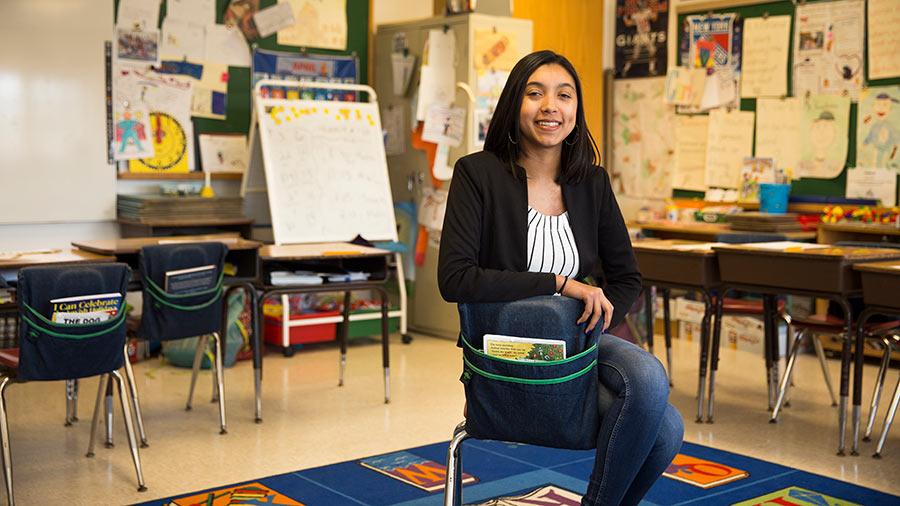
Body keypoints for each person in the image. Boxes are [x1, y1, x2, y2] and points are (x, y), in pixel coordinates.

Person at [438, 50, 683, 506]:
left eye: (564, 95)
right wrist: (559, 283)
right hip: (508, 347)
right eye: (535, 93)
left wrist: (599, 315)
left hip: (579, 338)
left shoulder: (592, 181)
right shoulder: (478, 174)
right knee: (660, 419)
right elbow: (455, 279)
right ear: (514, 104)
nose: (551, 106)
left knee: (659, 406)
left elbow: (627, 277)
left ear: (576, 110)